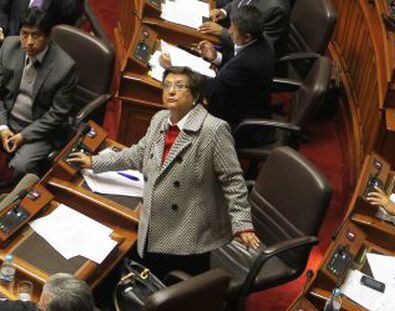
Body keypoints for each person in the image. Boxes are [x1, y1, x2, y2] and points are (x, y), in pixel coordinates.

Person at [68, 66, 260, 279]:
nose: (171, 91)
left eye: (179, 86)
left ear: (195, 96)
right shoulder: (160, 119)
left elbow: (233, 180)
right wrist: (94, 161)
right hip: (153, 218)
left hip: (189, 229)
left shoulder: (213, 130)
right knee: (145, 277)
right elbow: (138, 154)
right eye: (167, 85)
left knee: (178, 289)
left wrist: (242, 225)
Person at [0, 7, 77, 180]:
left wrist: (23, 136)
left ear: (48, 36)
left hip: (39, 128)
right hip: (8, 118)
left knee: (20, 167)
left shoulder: (65, 67)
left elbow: (57, 114)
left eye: (36, 35)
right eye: (24, 34)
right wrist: (3, 127)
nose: (29, 42)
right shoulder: (8, 47)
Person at [197, 6, 274, 146]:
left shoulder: (247, 63)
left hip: (239, 124)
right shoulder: (262, 41)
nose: (230, 31)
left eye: (233, 29)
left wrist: (185, 72)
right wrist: (216, 58)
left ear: (247, 36)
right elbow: (234, 68)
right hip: (247, 103)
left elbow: (212, 90)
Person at [199, 0, 290, 57]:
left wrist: (222, 32)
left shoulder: (276, 8)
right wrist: (223, 12)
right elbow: (239, 3)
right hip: (233, 39)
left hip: (248, 61)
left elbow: (259, 47)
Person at [0, 0, 82, 41]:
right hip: (8, 37)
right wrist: (2, 29)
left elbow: (71, 14)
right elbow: (2, 7)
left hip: (39, 51)